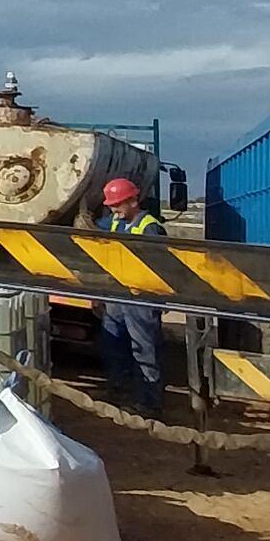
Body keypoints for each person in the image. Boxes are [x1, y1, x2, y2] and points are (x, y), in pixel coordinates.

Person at [97, 176, 166, 417]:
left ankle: (149, 403)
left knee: (144, 348)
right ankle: (119, 391)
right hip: (118, 294)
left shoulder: (149, 227)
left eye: (117, 205)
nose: (114, 210)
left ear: (133, 201)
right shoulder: (116, 223)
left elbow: (161, 267)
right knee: (113, 344)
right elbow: (96, 228)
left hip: (141, 297)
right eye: (111, 206)